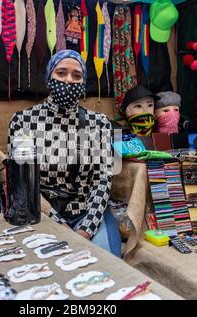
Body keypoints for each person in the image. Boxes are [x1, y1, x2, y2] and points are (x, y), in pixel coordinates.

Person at [7, 50, 121, 257]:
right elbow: (22, 182)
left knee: (106, 264)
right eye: (61, 73)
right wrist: (62, 227)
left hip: (88, 213)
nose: (69, 80)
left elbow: (103, 180)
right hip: (42, 214)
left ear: (84, 82)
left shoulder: (99, 123)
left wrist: (85, 230)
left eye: (76, 76)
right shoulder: (23, 121)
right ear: (49, 77)